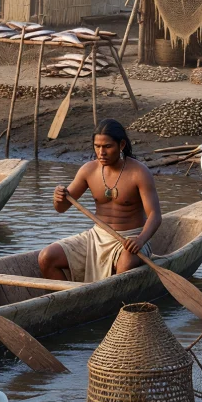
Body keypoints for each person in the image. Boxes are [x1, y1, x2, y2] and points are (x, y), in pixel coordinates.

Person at [40, 119, 161, 282]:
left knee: (125, 264)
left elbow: (155, 215)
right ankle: (71, 299)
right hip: (97, 236)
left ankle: (114, 301)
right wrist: (58, 198)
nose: (101, 152)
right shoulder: (88, 170)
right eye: (97, 146)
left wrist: (140, 240)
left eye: (107, 146)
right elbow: (61, 208)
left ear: (121, 145)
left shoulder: (139, 173)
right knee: (46, 257)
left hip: (130, 240)